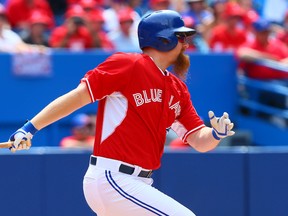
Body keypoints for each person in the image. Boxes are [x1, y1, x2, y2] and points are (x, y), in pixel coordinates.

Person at [8, 10, 235, 215]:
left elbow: (199, 140)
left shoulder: (178, 88)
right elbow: (77, 97)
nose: (186, 44)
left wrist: (216, 134)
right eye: (180, 37)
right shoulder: (129, 64)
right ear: (163, 39)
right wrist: (29, 128)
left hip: (137, 182)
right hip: (114, 178)